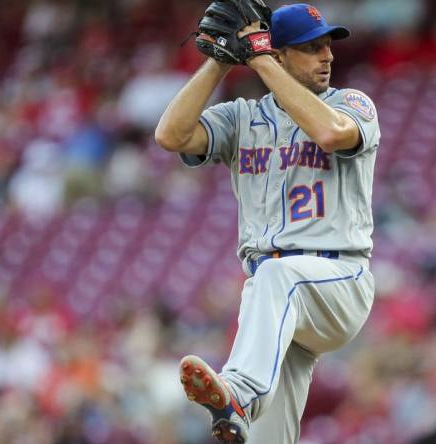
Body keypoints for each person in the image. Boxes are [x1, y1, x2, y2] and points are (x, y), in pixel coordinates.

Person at [155, 3, 380, 443]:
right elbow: (171, 135)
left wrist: (259, 59)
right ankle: (239, 409)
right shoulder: (243, 117)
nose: (327, 57)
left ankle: (239, 391)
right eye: (310, 48)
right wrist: (218, 62)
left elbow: (332, 134)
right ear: (281, 56)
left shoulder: (352, 103)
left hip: (338, 279)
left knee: (278, 275)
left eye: (326, 46)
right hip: (279, 305)